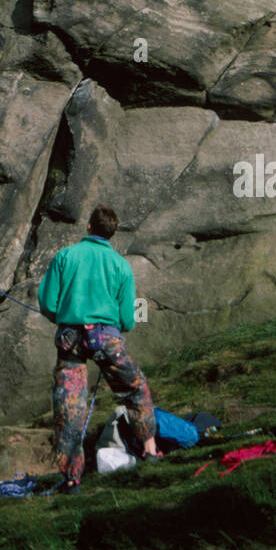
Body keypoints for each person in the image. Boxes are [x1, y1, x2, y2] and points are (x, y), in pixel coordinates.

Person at [37, 204, 158, 493]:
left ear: (89, 227)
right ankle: (151, 452)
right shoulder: (120, 265)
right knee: (135, 389)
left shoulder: (66, 256)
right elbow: (127, 319)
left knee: (70, 407)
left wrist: (66, 319)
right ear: (112, 233)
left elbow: (48, 304)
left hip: (71, 341)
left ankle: (71, 479)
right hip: (107, 340)